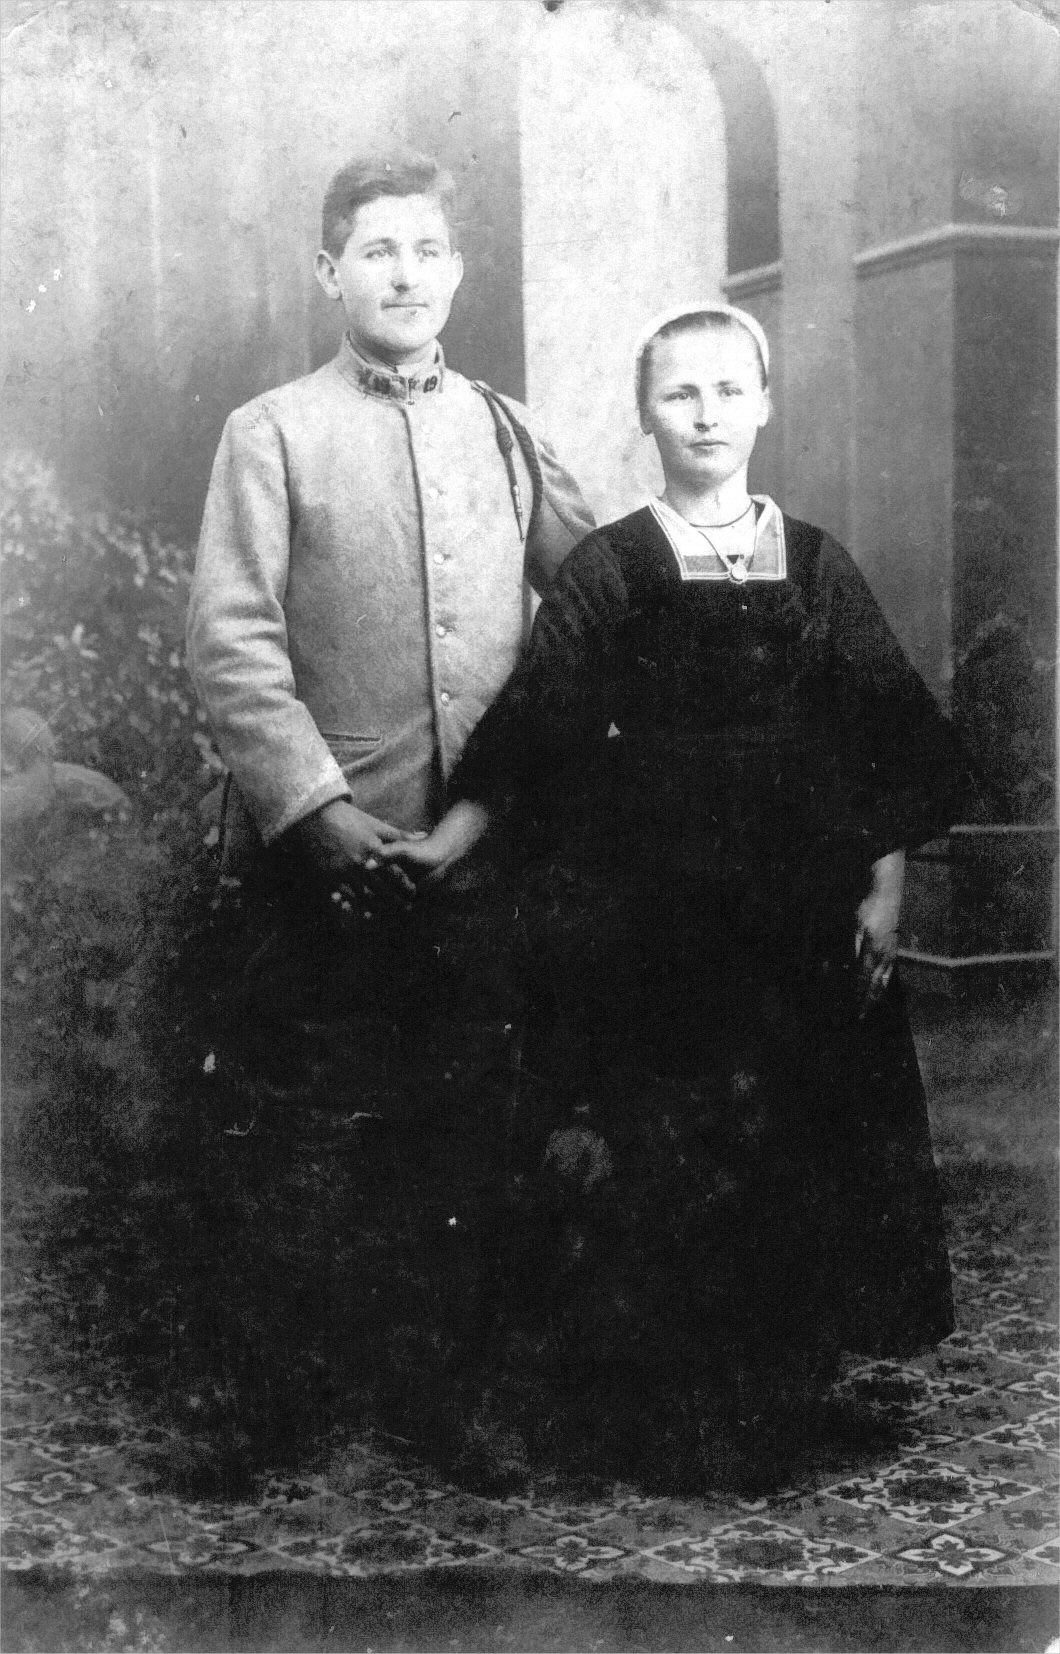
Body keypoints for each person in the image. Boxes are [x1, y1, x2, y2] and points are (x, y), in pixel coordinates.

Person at [382, 302, 966, 1489]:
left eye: (727, 390)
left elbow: (880, 734)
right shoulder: (612, 565)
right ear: (646, 415)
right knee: (667, 1151)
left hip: (799, 915)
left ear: (764, 404)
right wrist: (444, 844)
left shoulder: (815, 561)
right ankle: (663, 1410)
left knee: (794, 1147)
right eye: (679, 394)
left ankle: (774, 1399)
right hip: (653, 921)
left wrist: (885, 889)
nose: (705, 415)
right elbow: (535, 726)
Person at [180, 151, 593, 1458]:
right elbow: (232, 644)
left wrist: (498, 810)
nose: (404, 275)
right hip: (322, 859)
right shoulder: (271, 432)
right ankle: (271, 1405)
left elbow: (594, 614)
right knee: (298, 1124)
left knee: (465, 1127)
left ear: (456, 272)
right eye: (376, 251)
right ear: (330, 271)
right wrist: (318, 813)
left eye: (425, 250)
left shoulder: (506, 433)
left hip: (477, 854)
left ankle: (446, 1402)